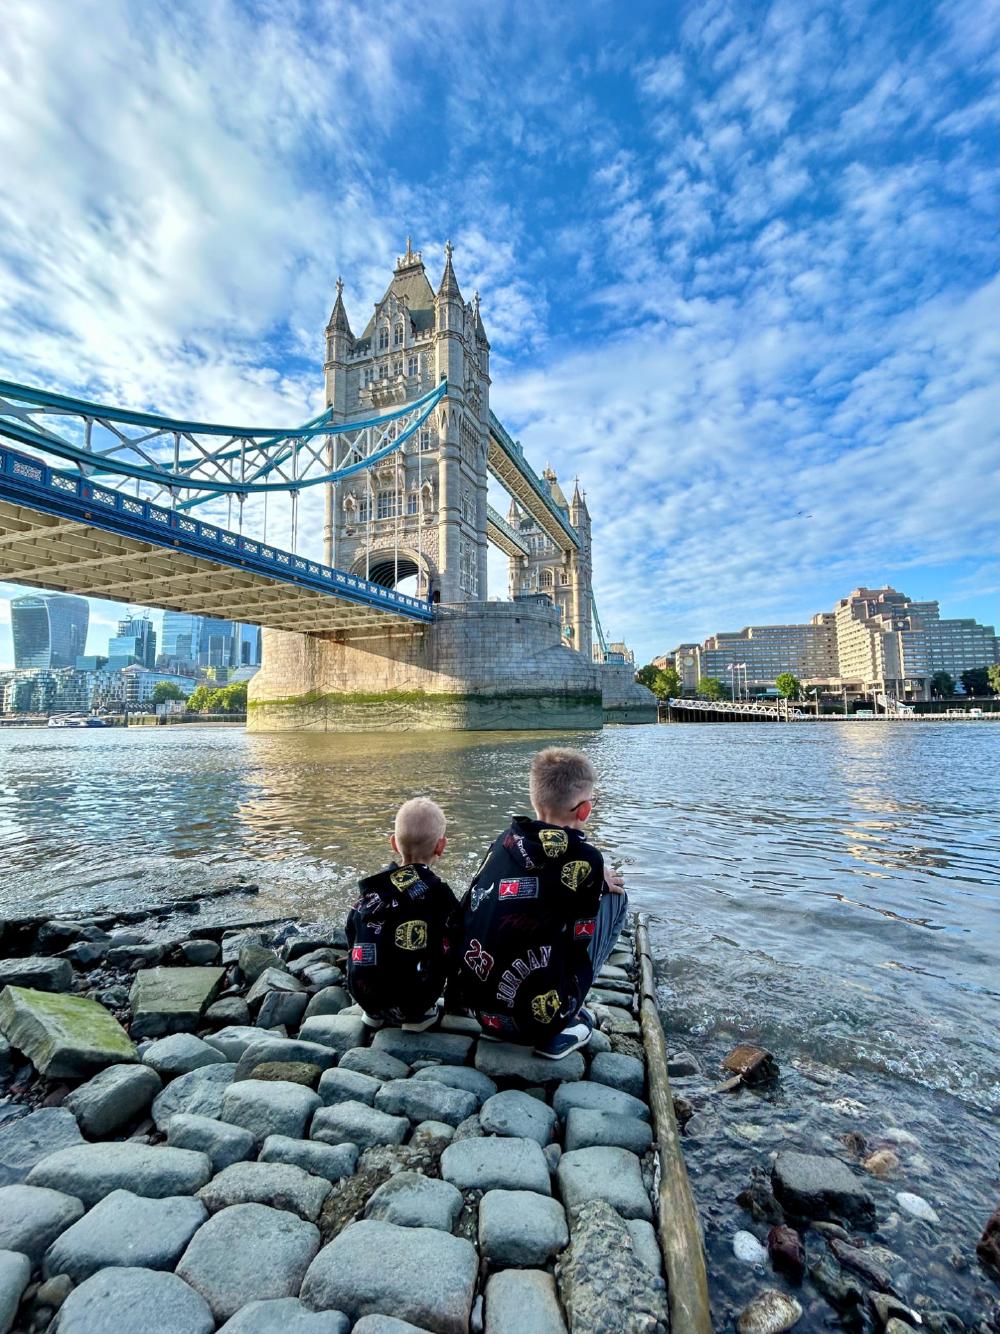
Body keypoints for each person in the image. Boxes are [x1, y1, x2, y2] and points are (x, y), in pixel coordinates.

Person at [457, 747, 627, 1059]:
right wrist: (596, 882)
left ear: (535, 798)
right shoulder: (586, 858)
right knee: (618, 898)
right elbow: (580, 934)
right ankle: (565, 1019)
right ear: (584, 810)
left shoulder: (504, 840)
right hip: (535, 1023)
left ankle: (507, 1014)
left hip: (481, 1012)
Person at [345, 796, 459, 1032]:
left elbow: (351, 931)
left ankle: (373, 1012)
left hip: (363, 993)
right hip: (413, 1000)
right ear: (441, 846)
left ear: (394, 844)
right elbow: (456, 941)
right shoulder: (439, 893)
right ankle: (418, 1016)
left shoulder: (372, 889)